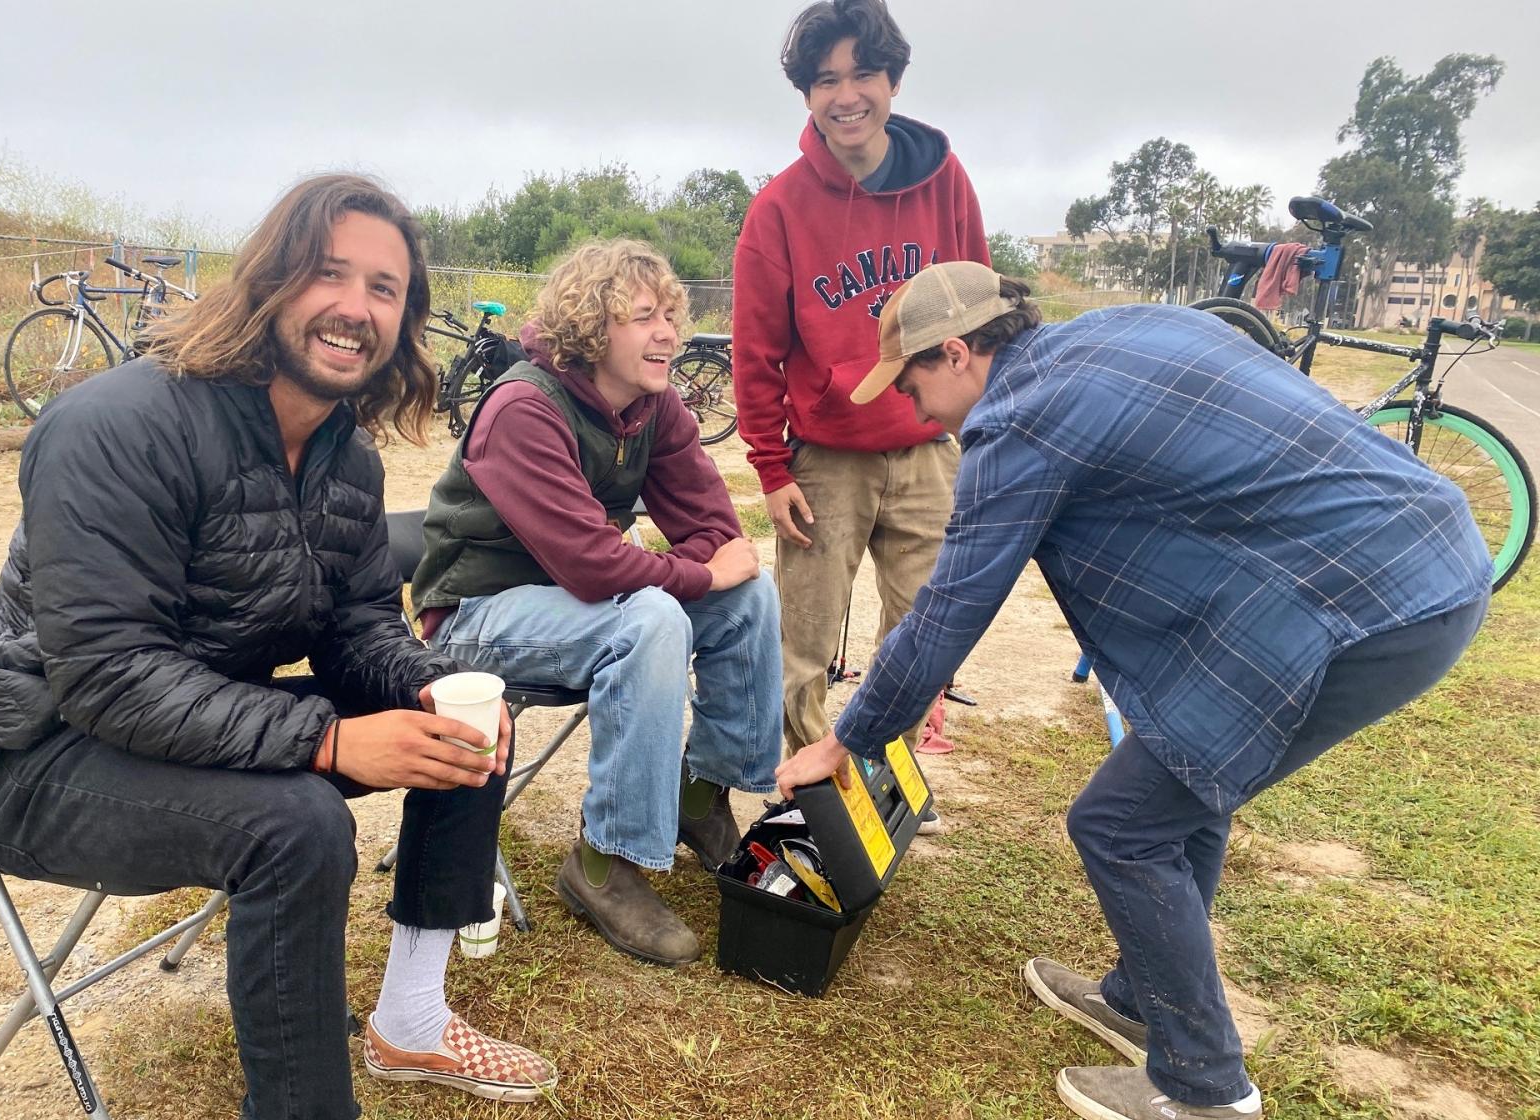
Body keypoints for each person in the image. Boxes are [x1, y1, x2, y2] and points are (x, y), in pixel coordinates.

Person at [777, 262, 1492, 1120]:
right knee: (1184, 779)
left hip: (1365, 606)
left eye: (915, 383)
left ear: (959, 353)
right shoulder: (1132, 326)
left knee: (1120, 826)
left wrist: (845, 738)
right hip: (1426, 552)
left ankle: (1206, 1088)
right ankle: (1140, 998)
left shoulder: (1019, 421)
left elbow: (946, 612)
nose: (917, 412)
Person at [0, 174, 557, 1116]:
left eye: (385, 288)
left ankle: (412, 1019)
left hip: (200, 731)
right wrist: (327, 742)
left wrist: (436, 685)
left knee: (464, 721)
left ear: (405, 320)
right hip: (41, 759)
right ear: (270, 281)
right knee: (298, 825)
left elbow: (356, 624)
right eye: (328, 273)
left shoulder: (345, 456)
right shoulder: (120, 423)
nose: (354, 308)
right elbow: (105, 675)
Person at [412, 239, 782, 968]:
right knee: (652, 615)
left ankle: (699, 798)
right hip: (477, 615)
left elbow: (713, 526)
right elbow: (591, 565)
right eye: (645, 316)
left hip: (576, 603)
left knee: (750, 597)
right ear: (591, 326)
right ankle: (604, 862)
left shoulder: (653, 406)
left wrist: (713, 569)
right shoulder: (524, 407)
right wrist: (697, 575)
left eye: (671, 315)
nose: (669, 333)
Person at [732, 0, 991, 763]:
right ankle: (812, 787)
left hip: (929, 449)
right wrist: (770, 470)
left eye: (864, 74)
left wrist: (980, 427)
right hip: (827, 455)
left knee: (923, 632)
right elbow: (756, 352)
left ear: (894, 80)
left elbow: (982, 311)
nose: (847, 95)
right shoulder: (778, 208)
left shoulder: (946, 182)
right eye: (826, 80)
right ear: (807, 96)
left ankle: (885, 775)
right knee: (801, 640)